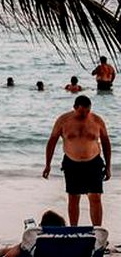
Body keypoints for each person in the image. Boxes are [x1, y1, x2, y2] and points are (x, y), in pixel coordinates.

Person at [42, 95, 112, 226]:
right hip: (72, 163)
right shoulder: (63, 120)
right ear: (74, 108)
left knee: (95, 197)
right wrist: (47, 165)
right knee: (73, 198)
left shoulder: (97, 121)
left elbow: (106, 143)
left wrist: (108, 166)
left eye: (87, 111)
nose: (84, 115)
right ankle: (73, 229)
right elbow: (52, 142)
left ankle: (97, 231)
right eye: (81, 112)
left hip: (94, 162)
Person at [0, 210, 66, 257]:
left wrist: (21, 246)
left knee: (14, 250)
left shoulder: (38, 245)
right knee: (19, 249)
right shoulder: (66, 247)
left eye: (40, 225)